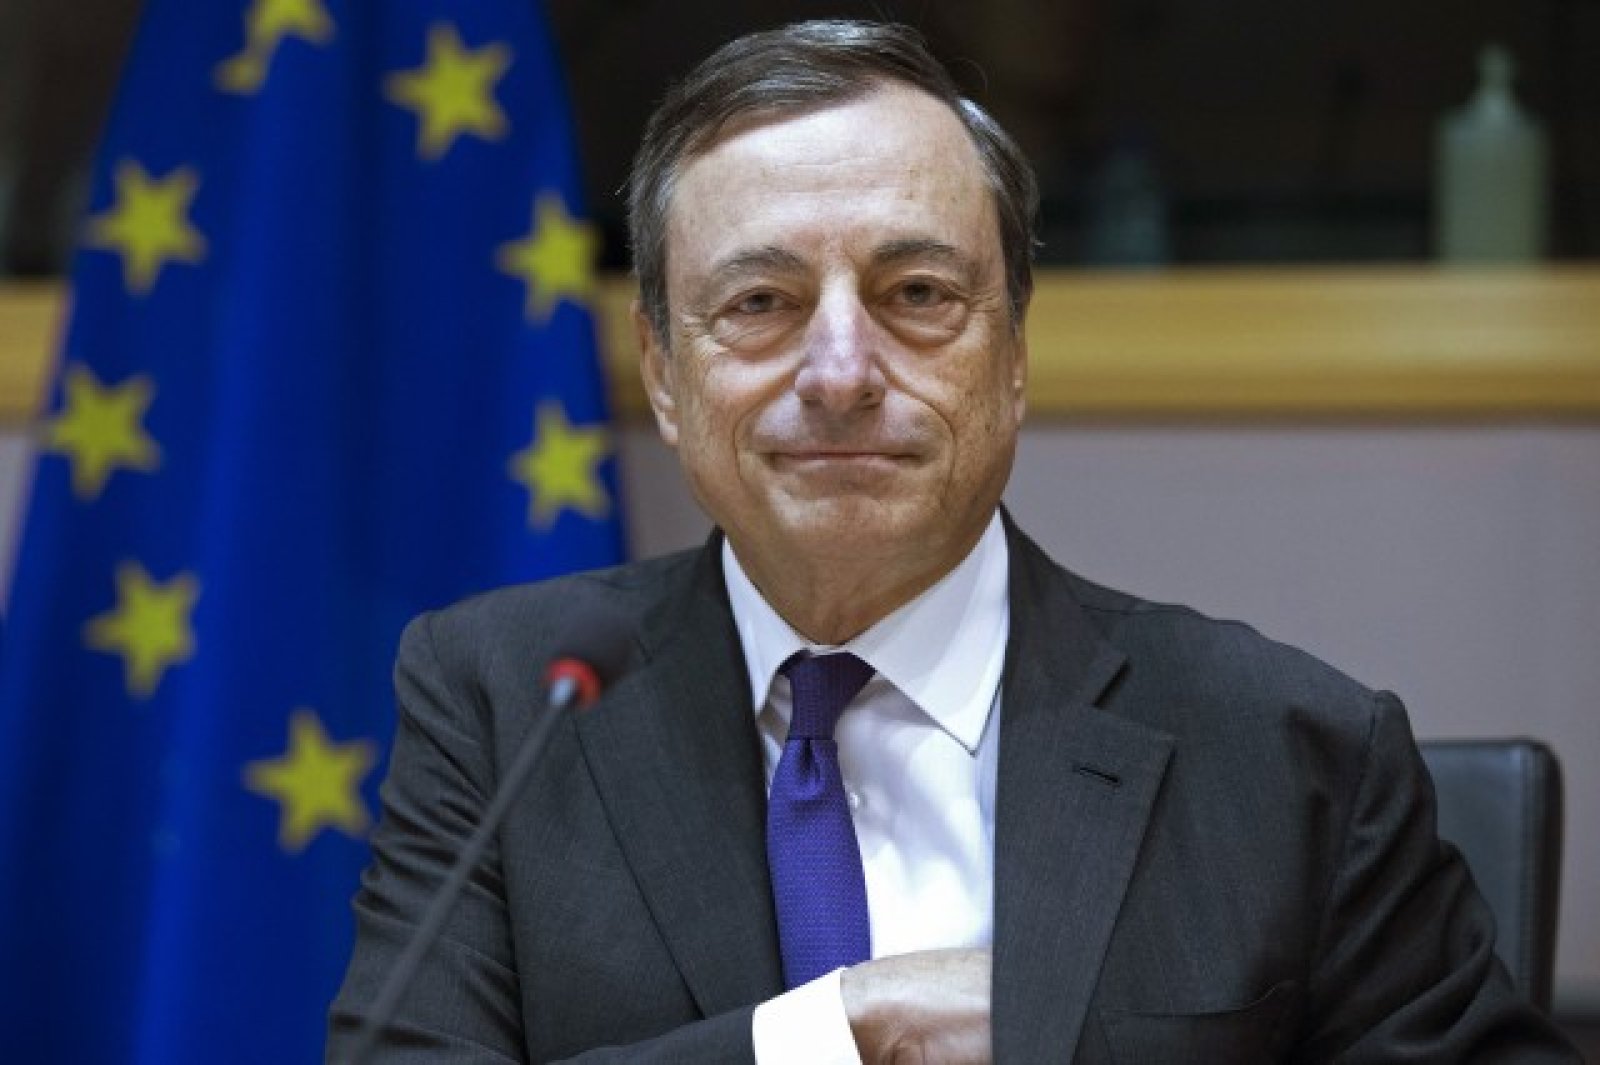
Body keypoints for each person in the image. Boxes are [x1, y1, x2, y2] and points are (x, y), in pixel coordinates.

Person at [328, 20, 1580, 1064]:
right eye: (759, 303)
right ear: (662, 374)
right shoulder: (505, 702)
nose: (838, 373)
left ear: (1013, 356)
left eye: (917, 295)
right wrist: (835, 1031)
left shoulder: (1290, 752)